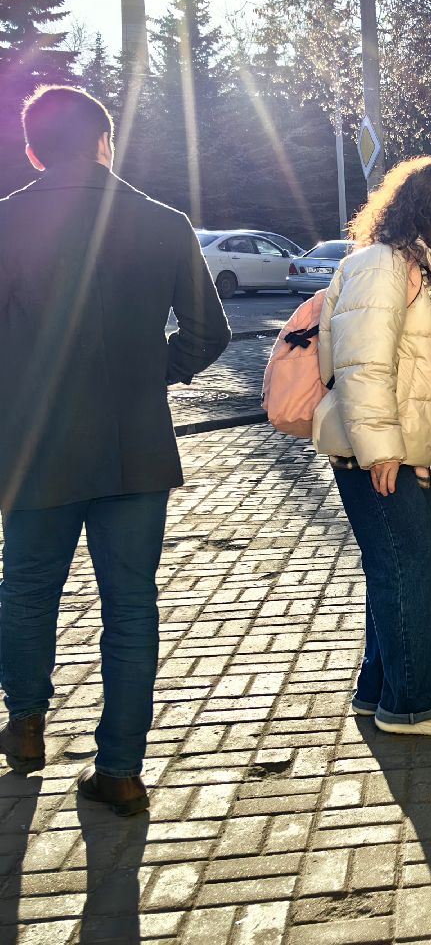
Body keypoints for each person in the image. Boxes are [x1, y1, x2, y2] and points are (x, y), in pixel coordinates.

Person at [0, 86, 231, 814]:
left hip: (35, 448)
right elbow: (209, 335)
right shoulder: (164, 223)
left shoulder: (6, 223)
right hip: (135, 450)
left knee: (28, 591)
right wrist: (146, 370)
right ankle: (122, 769)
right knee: (131, 606)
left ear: (34, 149)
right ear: (106, 141)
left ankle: (26, 725)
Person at [312, 156, 431, 736]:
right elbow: (361, 365)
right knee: (414, 566)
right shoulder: (383, 264)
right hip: (376, 453)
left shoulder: (424, 267)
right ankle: (413, 704)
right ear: (419, 205)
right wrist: (381, 449)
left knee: (395, 567)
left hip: (397, 448)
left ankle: (379, 689)